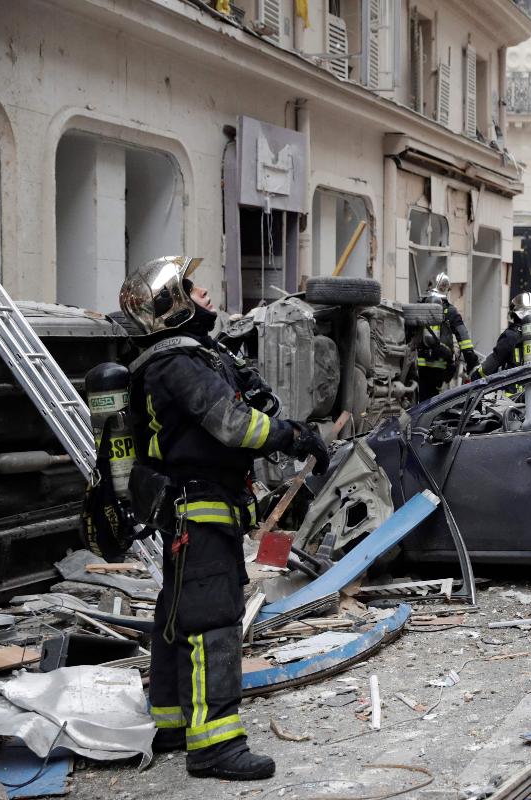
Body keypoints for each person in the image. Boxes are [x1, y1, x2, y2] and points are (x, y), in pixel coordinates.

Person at [119, 256, 329, 781]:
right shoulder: (176, 364)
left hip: (189, 507)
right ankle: (215, 743)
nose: (204, 295)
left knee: (176, 615)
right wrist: (294, 435)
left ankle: (171, 722)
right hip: (201, 505)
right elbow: (234, 427)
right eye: (192, 289)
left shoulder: (169, 359)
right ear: (173, 307)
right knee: (212, 618)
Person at [416, 273, 479, 398]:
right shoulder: (451, 312)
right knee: (437, 402)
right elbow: (465, 341)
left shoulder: (419, 307)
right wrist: (473, 363)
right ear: (447, 290)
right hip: (441, 367)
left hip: (419, 365)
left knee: (420, 401)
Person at [475, 292, 531, 378]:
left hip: (515, 391)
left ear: (515, 315)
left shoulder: (509, 336)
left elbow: (490, 366)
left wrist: (475, 375)